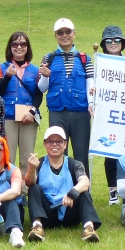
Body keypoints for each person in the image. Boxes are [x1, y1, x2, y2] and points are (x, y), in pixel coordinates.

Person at [24, 126, 101, 243]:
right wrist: (31, 169)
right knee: (34, 189)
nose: (54, 144)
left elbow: (85, 182)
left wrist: (72, 193)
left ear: (65, 144)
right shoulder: (38, 164)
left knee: (83, 191)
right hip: (47, 212)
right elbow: (29, 183)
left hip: (69, 210)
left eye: (59, 141)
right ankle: (37, 226)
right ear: (45, 144)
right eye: (50, 141)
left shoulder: (75, 164)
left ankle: (89, 227)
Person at [37, 18, 93, 173]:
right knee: (58, 152)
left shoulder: (84, 59)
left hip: (80, 111)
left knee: (81, 152)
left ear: (74, 34)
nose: (64, 35)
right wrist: (45, 76)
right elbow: (42, 88)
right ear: (55, 35)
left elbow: (90, 84)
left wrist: (91, 104)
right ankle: (62, 188)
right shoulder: (49, 58)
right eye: (60, 32)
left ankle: (82, 190)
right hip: (57, 111)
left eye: (68, 32)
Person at [0, 31, 41, 175]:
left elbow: (39, 95)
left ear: (27, 47)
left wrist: (32, 112)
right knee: (8, 156)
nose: (19, 47)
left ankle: (25, 191)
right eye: (15, 44)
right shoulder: (1, 68)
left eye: (23, 44)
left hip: (28, 116)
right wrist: (8, 76)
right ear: (10, 47)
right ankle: (9, 190)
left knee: (27, 157)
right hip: (8, 116)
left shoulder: (35, 70)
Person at [98, 25, 125, 209]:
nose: (113, 43)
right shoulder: (99, 63)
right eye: (109, 41)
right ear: (104, 44)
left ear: (122, 44)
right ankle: (112, 191)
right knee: (110, 151)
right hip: (107, 114)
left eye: (117, 40)